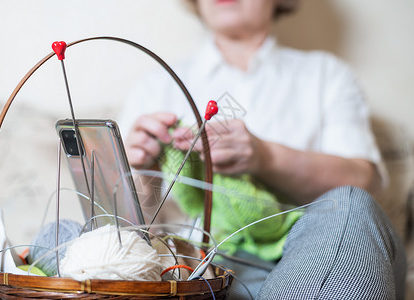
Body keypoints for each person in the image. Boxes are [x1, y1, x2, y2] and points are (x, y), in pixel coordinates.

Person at [119, 0, 406, 298]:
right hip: (205, 272)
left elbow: (361, 185)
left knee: (349, 204)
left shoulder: (326, 75)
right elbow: (128, 236)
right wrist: (142, 173)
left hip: (320, 255)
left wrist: (265, 157)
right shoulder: (155, 86)